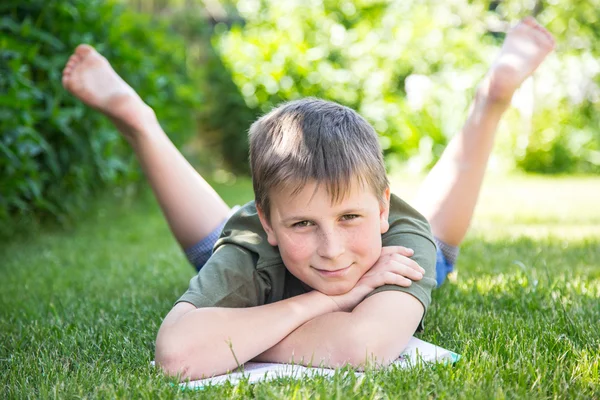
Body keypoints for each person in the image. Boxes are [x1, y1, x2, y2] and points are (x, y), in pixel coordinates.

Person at [62, 17, 555, 380]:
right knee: (215, 243)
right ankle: (140, 122)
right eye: (302, 225)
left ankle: (490, 100)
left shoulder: (400, 243)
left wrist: (238, 339)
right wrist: (327, 300)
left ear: (381, 209)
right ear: (269, 225)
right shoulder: (254, 241)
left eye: (350, 218)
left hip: (398, 233)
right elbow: (177, 355)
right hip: (262, 242)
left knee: (440, 246)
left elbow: (364, 348)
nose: (334, 249)